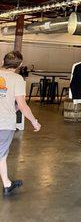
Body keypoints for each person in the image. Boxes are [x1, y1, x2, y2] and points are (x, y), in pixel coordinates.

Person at [0, 51, 41, 196]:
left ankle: (7, 184)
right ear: (20, 64)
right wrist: (34, 122)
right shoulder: (17, 79)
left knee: (1, 155)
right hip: (4, 123)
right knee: (1, 155)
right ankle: (6, 185)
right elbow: (22, 105)